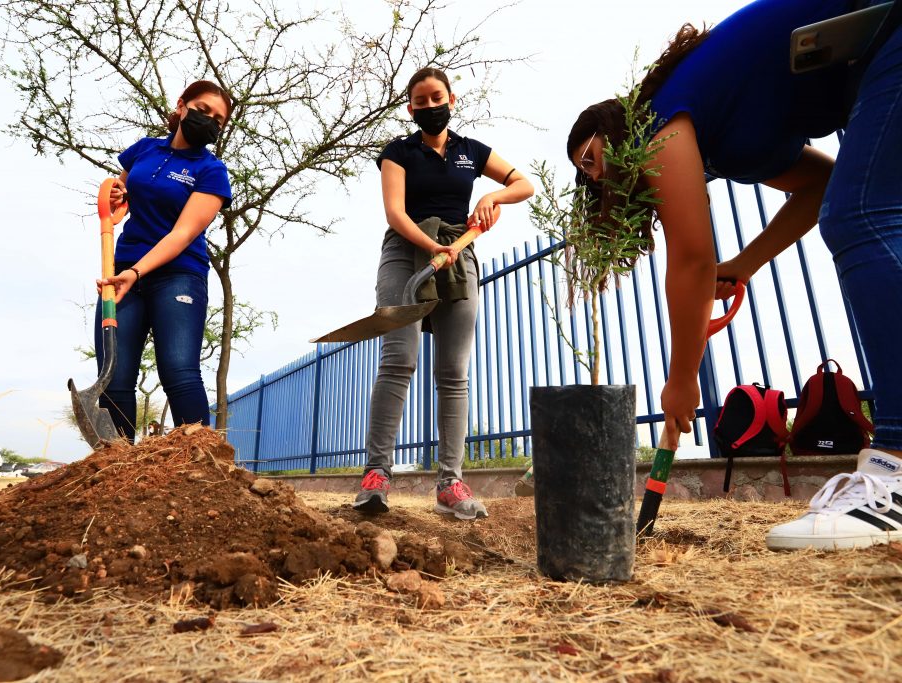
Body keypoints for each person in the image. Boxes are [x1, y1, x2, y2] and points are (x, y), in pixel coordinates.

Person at [567, 0, 902, 550]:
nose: (597, 175)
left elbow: (693, 260)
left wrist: (681, 383)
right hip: (878, 60)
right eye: (588, 176)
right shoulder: (727, 146)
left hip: (886, 27)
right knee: (858, 206)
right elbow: (821, 186)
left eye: (590, 157)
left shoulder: (659, 127)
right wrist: (746, 263)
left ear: (615, 125)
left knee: (861, 215)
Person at [352, 67, 535, 520]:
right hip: (406, 251)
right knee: (399, 358)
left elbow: (523, 184)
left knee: (453, 371)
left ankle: (450, 482)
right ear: (411, 107)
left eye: (438, 97)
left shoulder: (471, 152)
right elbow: (395, 212)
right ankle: (376, 475)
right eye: (421, 100)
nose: (430, 106)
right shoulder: (398, 151)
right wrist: (430, 245)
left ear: (451, 99)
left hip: (458, 252)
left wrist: (493, 200)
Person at [94, 80, 232, 441]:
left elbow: (182, 234)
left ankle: (205, 462)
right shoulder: (145, 150)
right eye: (203, 110)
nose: (209, 121)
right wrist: (115, 198)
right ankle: (121, 464)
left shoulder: (211, 171)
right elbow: (121, 202)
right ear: (181, 106)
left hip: (177, 274)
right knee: (115, 373)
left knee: (178, 371)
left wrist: (137, 271)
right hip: (122, 270)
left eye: (218, 119)